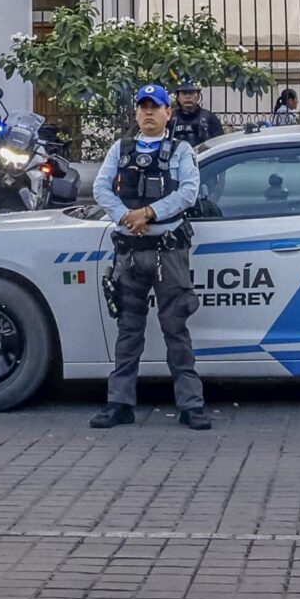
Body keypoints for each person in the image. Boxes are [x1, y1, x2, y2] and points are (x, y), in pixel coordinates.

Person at [90, 84, 208, 431]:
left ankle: (190, 405)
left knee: (176, 328)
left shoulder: (180, 150)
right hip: (130, 250)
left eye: (155, 107)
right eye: (142, 107)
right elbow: (100, 189)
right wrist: (129, 217)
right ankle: (119, 403)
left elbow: (188, 192)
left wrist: (149, 214)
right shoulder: (121, 149)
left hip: (168, 251)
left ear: (168, 113)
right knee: (128, 331)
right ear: (136, 113)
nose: (148, 113)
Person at [169, 76, 224, 149]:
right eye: (184, 93)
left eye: (191, 93)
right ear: (178, 97)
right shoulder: (170, 118)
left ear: (198, 96)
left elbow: (219, 145)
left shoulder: (209, 118)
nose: (188, 97)